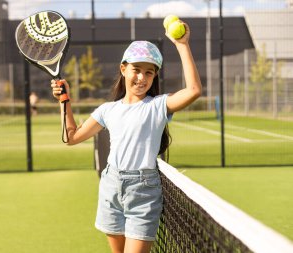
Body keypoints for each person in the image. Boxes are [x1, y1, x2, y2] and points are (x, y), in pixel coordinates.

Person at [51, 20, 201, 253]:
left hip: (144, 190)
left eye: (149, 73)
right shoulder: (107, 110)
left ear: (154, 77)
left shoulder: (158, 106)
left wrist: (182, 44)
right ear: (123, 69)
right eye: (136, 70)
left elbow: (193, 91)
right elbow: (71, 137)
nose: (142, 77)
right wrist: (64, 101)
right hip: (110, 186)